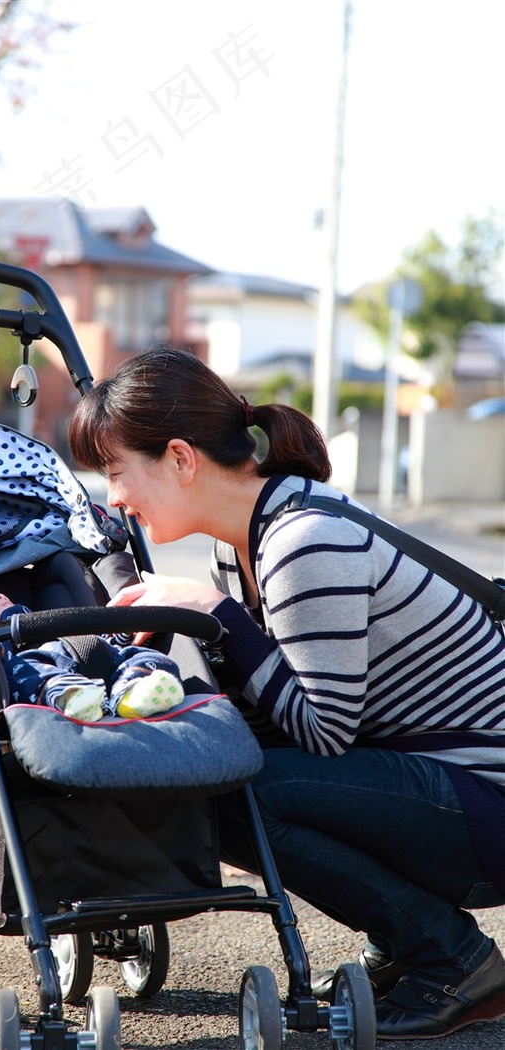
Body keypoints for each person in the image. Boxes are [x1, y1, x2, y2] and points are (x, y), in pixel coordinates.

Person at [68, 346, 505, 1041]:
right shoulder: (243, 538)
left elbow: (322, 734)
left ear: (181, 458)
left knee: (240, 791)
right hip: (441, 787)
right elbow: (272, 725)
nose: (114, 498)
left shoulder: (304, 540)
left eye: (117, 471)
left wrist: (217, 618)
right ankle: (408, 945)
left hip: (485, 804)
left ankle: (451, 958)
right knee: (223, 776)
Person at [0, 588, 185, 721]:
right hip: (41, 667)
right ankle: (69, 696)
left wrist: (122, 633)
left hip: (93, 650)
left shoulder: (49, 617)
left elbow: (106, 640)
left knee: (141, 655)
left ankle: (136, 690)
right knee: (26, 677)